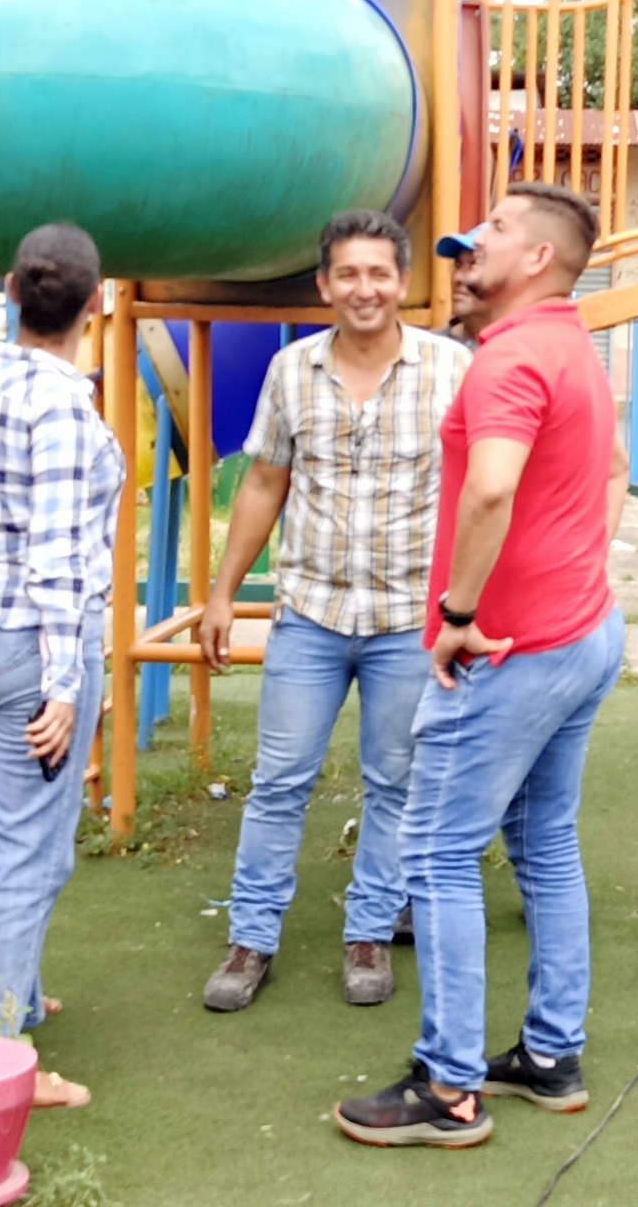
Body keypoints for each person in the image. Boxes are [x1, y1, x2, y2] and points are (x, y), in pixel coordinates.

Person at [332, 182, 627, 1148]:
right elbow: (608, 475)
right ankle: (550, 1056)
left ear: (538, 258)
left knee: (437, 853)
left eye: (491, 233)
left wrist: (458, 614)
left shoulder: (507, 360)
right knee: (545, 844)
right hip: (581, 633)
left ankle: (449, 1086)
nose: (467, 252)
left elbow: (491, 489)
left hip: (514, 649)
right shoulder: (572, 344)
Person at [198, 211, 469, 1012]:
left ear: (403, 282)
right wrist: (222, 593)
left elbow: (484, 487)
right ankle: (251, 940)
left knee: (395, 782)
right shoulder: (292, 370)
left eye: (379, 273)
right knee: (279, 781)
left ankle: (370, 932)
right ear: (323, 284)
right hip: (311, 613)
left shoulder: (451, 369)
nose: (364, 288)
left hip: (407, 618)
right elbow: (263, 483)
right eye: (347, 273)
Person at [0, 223, 124, 1107]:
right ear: (95, 303)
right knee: (17, 853)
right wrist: (66, 685)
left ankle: (17, 994)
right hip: (35, 651)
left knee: (1, 833)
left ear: (8, 290)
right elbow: (56, 558)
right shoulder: (65, 408)